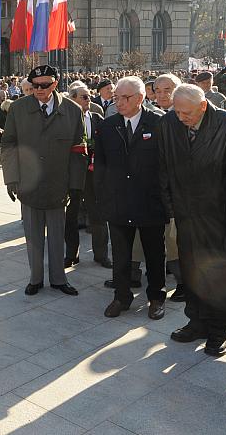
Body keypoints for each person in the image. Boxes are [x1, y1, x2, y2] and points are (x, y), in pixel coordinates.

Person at [160, 84, 226, 357]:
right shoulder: (169, 124)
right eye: (176, 112)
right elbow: (164, 168)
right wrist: (170, 209)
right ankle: (196, 322)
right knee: (192, 272)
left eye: (186, 113)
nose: (180, 118)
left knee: (223, 277)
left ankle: (219, 331)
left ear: (203, 106)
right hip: (187, 216)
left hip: (222, 219)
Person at [1, 65, 86, 296]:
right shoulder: (18, 109)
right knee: (33, 236)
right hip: (28, 185)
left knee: (58, 235)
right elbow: (8, 144)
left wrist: (76, 185)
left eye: (44, 85)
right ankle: (35, 278)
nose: (39, 89)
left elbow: (79, 149)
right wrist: (11, 178)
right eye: (35, 85)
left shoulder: (72, 110)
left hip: (59, 185)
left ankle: (59, 279)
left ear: (55, 84)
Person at [93, 76, 167, 320]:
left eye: (125, 98)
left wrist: (168, 201)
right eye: (116, 98)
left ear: (140, 98)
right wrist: (102, 199)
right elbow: (101, 166)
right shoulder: (107, 126)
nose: (120, 102)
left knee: (155, 254)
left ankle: (156, 297)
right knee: (121, 255)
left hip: (150, 202)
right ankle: (121, 297)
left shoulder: (159, 123)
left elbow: (168, 165)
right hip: (119, 202)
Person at [64, 84, 110, 269]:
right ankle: (71, 255)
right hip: (73, 175)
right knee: (72, 217)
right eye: (84, 97)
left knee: (98, 215)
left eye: (89, 96)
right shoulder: (65, 120)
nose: (88, 100)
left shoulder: (98, 119)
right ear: (72, 99)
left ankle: (101, 255)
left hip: (94, 175)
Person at [153, 73, 185, 300]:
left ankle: (184, 283)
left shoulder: (184, 117)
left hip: (180, 192)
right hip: (157, 190)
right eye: (158, 90)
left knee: (178, 240)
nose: (162, 94)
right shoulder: (153, 116)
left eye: (168, 89)